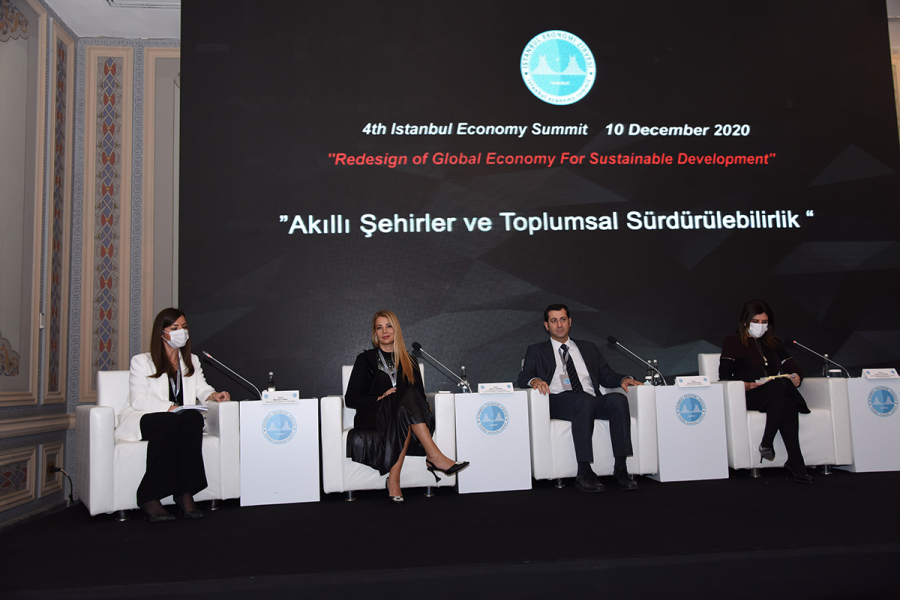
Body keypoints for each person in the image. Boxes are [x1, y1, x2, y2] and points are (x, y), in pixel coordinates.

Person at [116, 308, 231, 521]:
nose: (181, 332)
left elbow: (202, 388)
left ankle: (185, 492)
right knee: (169, 421)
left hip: (176, 418)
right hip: (144, 417)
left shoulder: (191, 360)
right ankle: (149, 496)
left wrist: (214, 395)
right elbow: (138, 399)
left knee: (193, 418)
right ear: (162, 332)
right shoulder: (141, 361)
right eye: (175, 328)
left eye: (184, 327)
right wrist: (169, 407)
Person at [345, 310, 469, 504]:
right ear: (375, 334)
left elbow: (419, 396)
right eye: (379, 327)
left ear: (396, 329)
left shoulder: (410, 361)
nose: (384, 331)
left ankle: (393, 480)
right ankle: (433, 455)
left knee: (408, 398)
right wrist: (379, 397)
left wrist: (400, 399)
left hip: (404, 416)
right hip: (374, 415)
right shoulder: (365, 359)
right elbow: (350, 399)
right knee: (405, 400)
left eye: (389, 326)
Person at [518, 304, 642, 493]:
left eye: (563, 319)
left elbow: (606, 375)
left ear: (570, 322)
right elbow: (523, 376)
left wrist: (623, 379)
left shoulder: (588, 348)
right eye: (554, 321)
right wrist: (534, 380)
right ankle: (584, 472)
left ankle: (621, 469)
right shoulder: (537, 350)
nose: (559, 325)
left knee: (618, 399)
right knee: (584, 402)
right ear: (546, 325)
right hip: (560, 401)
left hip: (589, 398)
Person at [718, 299, 812, 483]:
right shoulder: (732, 342)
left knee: (784, 396)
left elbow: (793, 367)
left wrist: (796, 376)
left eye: (764, 322)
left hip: (774, 393)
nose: (760, 326)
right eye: (756, 321)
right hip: (748, 394)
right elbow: (724, 376)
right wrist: (745, 385)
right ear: (746, 321)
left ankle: (789, 458)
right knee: (783, 387)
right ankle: (775, 446)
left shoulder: (774, 342)